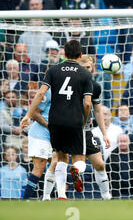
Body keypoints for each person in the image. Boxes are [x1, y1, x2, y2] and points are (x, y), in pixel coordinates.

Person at [20, 40, 93, 201]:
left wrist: (27, 115)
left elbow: (40, 94)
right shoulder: (86, 74)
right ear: (80, 55)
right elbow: (87, 103)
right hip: (74, 120)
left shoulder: (53, 70)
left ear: (64, 54)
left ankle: (61, 195)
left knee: (60, 158)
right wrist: (84, 120)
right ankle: (75, 170)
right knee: (79, 159)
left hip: (55, 122)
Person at [106, 133, 133, 198]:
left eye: (124, 141)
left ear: (129, 142)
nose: (122, 143)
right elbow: (108, 174)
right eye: (120, 141)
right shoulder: (112, 157)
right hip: (117, 192)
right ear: (117, 142)